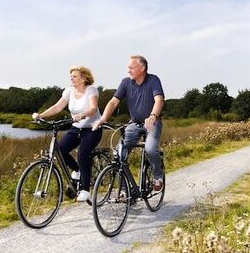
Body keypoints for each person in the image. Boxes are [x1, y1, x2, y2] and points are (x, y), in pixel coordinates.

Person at [94, 55, 164, 191]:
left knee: (150, 149)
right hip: (134, 124)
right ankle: (125, 190)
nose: (129, 71)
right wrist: (103, 119)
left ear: (142, 68)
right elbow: (114, 102)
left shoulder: (153, 80)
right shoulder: (126, 82)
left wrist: (153, 116)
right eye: (128, 68)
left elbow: (159, 100)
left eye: (131, 68)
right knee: (119, 154)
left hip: (152, 123)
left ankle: (157, 176)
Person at [32, 66, 102, 203]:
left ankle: (86, 190)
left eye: (75, 76)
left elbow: (93, 108)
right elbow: (57, 107)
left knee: (82, 154)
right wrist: (41, 115)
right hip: (76, 128)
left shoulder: (91, 90)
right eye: (71, 76)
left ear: (84, 78)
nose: (71, 78)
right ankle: (77, 170)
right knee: (60, 150)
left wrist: (82, 114)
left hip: (92, 128)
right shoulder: (69, 91)